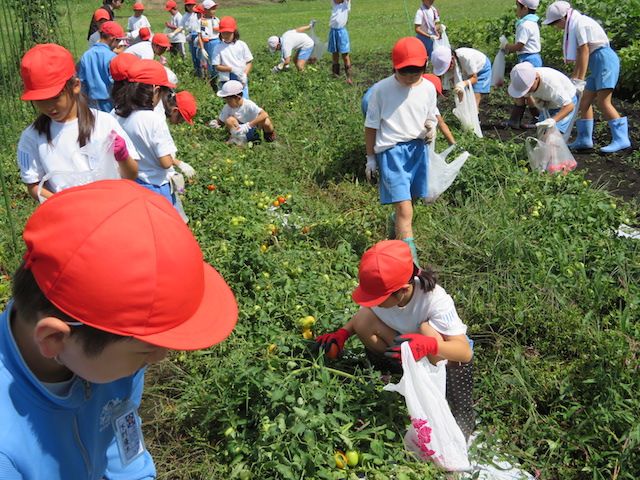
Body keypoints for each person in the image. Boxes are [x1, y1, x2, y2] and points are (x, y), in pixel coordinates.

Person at [0, 178, 238, 479]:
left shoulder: (112, 362)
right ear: (54, 338)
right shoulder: (6, 454)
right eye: (147, 348)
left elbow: (120, 426)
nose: (160, 356)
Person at [314, 240, 475, 440]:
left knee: (427, 330)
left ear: (404, 290)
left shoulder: (434, 300)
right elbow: (361, 317)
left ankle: (461, 412)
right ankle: (392, 373)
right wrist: (343, 334)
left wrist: (429, 345)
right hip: (406, 350)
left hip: (445, 361)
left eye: (378, 298)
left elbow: (464, 352)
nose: (375, 303)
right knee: (364, 320)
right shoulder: (384, 295)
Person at [17, 44, 138, 202]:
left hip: (112, 208)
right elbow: (33, 185)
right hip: (68, 218)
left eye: (55, 97)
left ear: (75, 85)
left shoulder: (105, 123)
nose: (48, 106)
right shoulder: (32, 137)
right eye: (40, 100)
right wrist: (67, 205)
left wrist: (123, 157)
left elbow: (132, 175)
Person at [364, 37, 438, 265]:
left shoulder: (427, 88)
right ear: (394, 67)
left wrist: (431, 126)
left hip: (417, 150)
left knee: (410, 201)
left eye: (415, 72)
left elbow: (430, 114)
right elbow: (371, 125)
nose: (409, 77)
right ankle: (410, 263)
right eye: (404, 72)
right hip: (392, 152)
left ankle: (395, 231)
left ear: (425, 67)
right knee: (405, 209)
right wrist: (370, 158)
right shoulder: (382, 89)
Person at [542, 1, 631, 152]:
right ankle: (585, 139)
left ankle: (622, 139)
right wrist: (575, 79)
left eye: (555, 23)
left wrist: (580, 79)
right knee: (584, 101)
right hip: (597, 63)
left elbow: (584, 51)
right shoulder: (575, 23)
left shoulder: (580, 24)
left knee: (604, 102)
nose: (556, 27)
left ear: (563, 18)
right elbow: (579, 54)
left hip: (605, 61)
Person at [112, 58, 195, 212]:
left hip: (131, 184)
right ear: (156, 90)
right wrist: (176, 162)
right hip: (156, 186)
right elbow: (165, 162)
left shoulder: (116, 114)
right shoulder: (153, 120)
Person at [361, 73, 455, 146]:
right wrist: (452, 143)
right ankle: (376, 157)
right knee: (385, 132)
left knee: (378, 130)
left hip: (369, 97)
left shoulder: (405, 83)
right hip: (373, 101)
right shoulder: (421, 93)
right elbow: (441, 122)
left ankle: (374, 154)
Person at [500, 0, 542, 129]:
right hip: (531, 57)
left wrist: (506, 46)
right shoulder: (532, 23)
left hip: (528, 59)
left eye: (518, 6)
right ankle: (517, 119)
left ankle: (537, 118)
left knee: (525, 90)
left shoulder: (525, 25)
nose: (516, 9)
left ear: (524, 8)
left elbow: (520, 46)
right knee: (523, 90)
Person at [508, 62, 578, 135]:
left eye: (528, 88)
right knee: (541, 131)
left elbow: (569, 106)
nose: (527, 91)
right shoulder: (524, 79)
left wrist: (553, 120)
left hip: (564, 105)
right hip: (549, 103)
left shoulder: (552, 87)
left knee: (553, 134)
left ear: (536, 78)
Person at [78, 21, 127, 112]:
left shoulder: (87, 55)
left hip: (91, 102)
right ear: (112, 39)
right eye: (118, 41)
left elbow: (82, 81)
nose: (117, 45)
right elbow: (114, 82)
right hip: (108, 103)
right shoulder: (112, 57)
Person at [214, 80, 276, 145]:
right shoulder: (227, 107)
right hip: (240, 131)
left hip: (255, 129)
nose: (227, 102)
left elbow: (264, 114)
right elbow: (221, 120)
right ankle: (239, 141)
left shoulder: (248, 104)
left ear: (238, 98)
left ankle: (269, 140)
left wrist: (248, 125)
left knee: (266, 121)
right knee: (229, 120)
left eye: (229, 100)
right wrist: (215, 123)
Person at [431, 45, 492, 111]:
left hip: (481, 67)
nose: (447, 70)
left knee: (474, 103)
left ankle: (476, 117)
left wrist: (462, 84)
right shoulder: (448, 67)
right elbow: (456, 84)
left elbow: (474, 78)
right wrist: (461, 103)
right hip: (466, 69)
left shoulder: (466, 57)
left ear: (452, 59)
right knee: (465, 100)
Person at [212, 16, 253, 98]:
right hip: (226, 78)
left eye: (229, 33)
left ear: (234, 32)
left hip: (240, 77)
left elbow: (248, 62)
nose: (226, 35)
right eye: (224, 33)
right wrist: (232, 69)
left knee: (243, 100)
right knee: (230, 102)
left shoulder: (241, 45)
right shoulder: (218, 48)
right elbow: (217, 66)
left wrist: (245, 74)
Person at [198, 0, 221, 91]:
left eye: (214, 9)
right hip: (208, 43)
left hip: (217, 41)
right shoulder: (200, 21)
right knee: (210, 64)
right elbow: (199, 36)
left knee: (218, 62)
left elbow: (220, 33)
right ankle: (212, 84)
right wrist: (202, 48)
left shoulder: (216, 19)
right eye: (212, 9)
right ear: (206, 10)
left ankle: (219, 81)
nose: (214, 11)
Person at [328, 0, 353, 84]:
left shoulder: (345, 5)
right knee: (334, 54)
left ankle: (349, 78)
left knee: (345, 55)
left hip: (341, 32)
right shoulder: (334, 3)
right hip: (333, 31)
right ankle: (335, 76)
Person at [181, 0, 202, 76]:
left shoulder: (197, 13)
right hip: (191, 36)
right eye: (188, 5)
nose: (190, 7)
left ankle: (202, 71)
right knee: (194, 55)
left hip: (198, 34)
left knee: (199, 54)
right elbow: (181, 27)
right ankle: (197, 71)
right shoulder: (185, 16)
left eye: (192, 5)